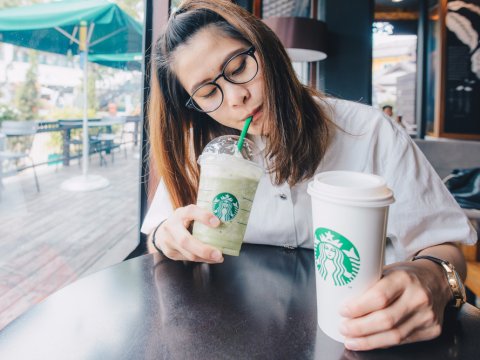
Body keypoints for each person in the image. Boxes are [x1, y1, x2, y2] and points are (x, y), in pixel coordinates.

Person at [142, 0, 476, 351]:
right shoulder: (207, 151)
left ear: (266, 48)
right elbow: (161, 230)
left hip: (365, 331)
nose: (237, 97)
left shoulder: (369, 131)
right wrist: (167, 236)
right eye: (209, 92)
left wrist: (433, 277)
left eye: (239, 67)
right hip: (240, 336)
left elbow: (444, 245)